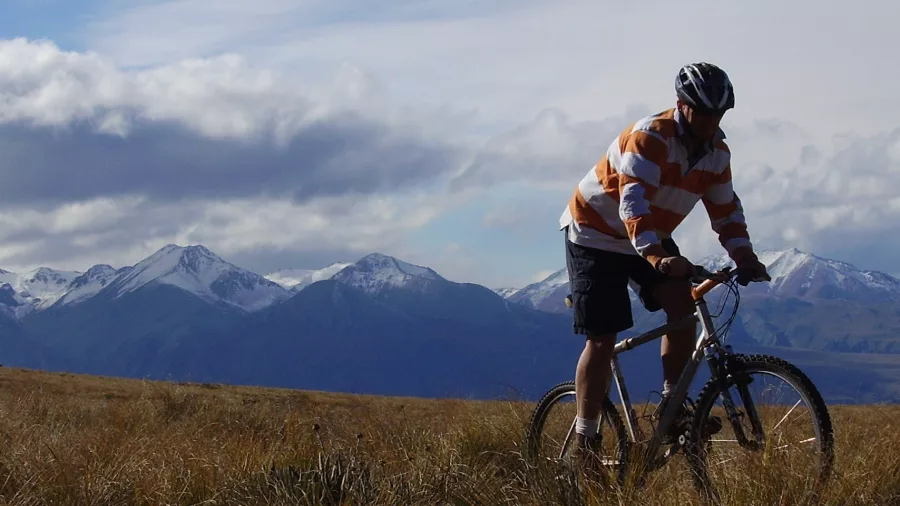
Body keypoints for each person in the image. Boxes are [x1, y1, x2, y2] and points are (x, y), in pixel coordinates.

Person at [558, 62, 771, 463]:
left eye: (718, 115)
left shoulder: (717, 156)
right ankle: (583, 442)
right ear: (681, 105)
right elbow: (632, 203)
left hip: (648, 232)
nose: (710, 122)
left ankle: (671, 408)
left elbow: (725, 211)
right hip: (596, 232)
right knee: (603, 337)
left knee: (683, 305)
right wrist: (657, 257)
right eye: (702, 113)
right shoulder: (650, 137)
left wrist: (745, 257)